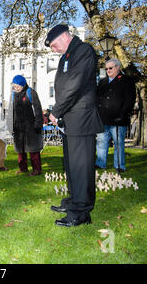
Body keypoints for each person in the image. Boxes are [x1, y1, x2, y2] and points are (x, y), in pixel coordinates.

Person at [45, 24, 104, 227]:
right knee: (71, 166)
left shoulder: (83, 51)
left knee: (81, 167)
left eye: (53, 45)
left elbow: (75, 84)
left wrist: (56, 110)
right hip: (71, 120)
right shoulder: (68, 55)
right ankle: (73, 201)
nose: (53, 50)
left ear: (64, 37)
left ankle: (81, 213)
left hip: (82, 118)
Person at [95, 58, 136, 172]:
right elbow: (97, 98)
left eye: (110, 68)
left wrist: (123, 114)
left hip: (118, 118)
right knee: (101, 142)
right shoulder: (102, 82)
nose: (108, 70)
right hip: (103, 118)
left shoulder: (127, 80)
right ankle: (100, 163)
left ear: (118, 67)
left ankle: (119, 165)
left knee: (118, 143)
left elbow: (130, 99)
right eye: (106, 68)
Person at [6, 75, 44, 176]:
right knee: (20, 150)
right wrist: (10, 126)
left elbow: (38, 109)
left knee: (33, 149)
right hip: (18, 127)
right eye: (14, 86)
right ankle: (23, 168)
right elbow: (10, 111)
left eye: (18, 86)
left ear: (23, 85)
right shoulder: (13, 95)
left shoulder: (31, 93)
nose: (16, 88)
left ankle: (37, 169)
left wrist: (38, 124)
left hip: (31, 127)